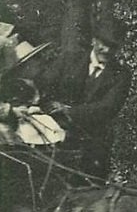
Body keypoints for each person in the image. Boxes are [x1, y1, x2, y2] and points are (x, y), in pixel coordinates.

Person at [44, 25, 131, 178]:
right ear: (94, 41)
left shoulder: (121, 75)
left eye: (114, 47)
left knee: (89, 190)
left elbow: (108, 107)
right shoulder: (69, 60)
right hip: (53, 133)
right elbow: (45, 85)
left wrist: (69, 111)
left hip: (91, 142)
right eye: (104, 44)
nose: (108, 50)